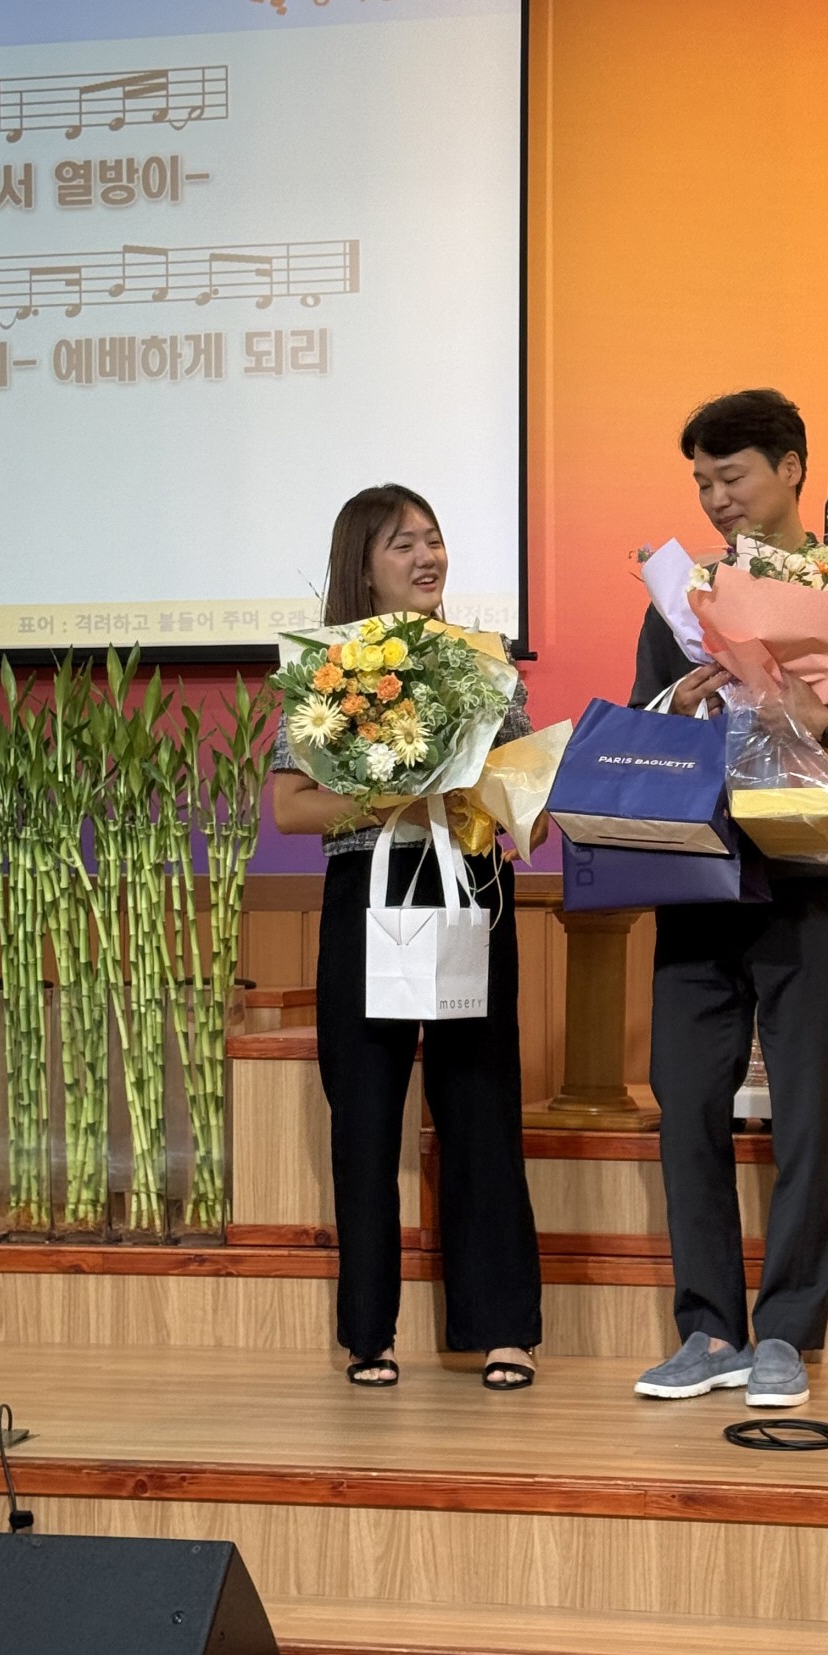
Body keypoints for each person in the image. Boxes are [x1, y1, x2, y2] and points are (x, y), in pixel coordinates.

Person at [629, 391, 828, 1408]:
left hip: (812, 880)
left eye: (732, 476)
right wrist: (682, 697)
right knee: (686, 1109)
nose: (716, 499)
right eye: (701, 483)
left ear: (791, 467)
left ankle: (787, 1334)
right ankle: (707, 1329)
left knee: (806, 1117)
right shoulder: (684, 600)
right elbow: (644, 723)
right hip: (698, 877)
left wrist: (822, 719)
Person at [271, 484, 542, 1392]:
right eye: (403, 544)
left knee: (479, 1103)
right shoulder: (328, 671)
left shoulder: (485, 662)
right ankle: (368, 1335)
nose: (428, 557)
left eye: (434, 539)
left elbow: (523, 791)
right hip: (368, 888)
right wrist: (389, 791)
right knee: (365, 1111)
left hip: (470, 882)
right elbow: (290, 807)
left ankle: (501, 1330)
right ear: (363, 563)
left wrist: (500, 790)